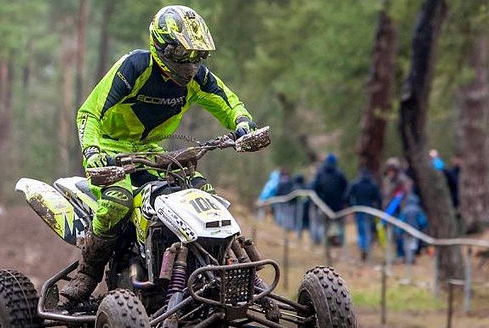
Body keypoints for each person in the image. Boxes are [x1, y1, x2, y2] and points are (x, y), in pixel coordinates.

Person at [61, 5, 260, 303]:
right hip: (110, 150)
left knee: (205, 194)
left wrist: (243, 124)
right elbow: (89, 113)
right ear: (162, 46)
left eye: (198, 55)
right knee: (118, 201)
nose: (191, 64)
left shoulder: (196, 78)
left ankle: (222, 268)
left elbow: (227, 102)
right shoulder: (135, 67)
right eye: (184, 55)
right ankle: (88, 271)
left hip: (153, 154)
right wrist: (92, 151)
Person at [309, 153, 348, 246]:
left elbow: (314, 188)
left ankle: (325, 245)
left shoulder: (320, 174)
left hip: (323, 205)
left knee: (323, 225)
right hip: (338, 205)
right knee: (340, 225)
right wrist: (345, 200)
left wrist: (316, 201)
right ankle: (340, 243)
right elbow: (346, 188)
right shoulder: (340, 174)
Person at [344, 168, 382, 261]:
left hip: (359, 210)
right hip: (370, 210)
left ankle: (363, 247)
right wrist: (378, 208)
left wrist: (352, 206)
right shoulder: (373, 185)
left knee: (361, 232)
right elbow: (378, 198)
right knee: (368, 231)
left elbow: (347, 196)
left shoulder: (356, 184)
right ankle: (367, 249)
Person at [395, 193, 428, 264]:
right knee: (414, 244)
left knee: (406, 244)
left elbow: (401, 220)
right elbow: (422, 221)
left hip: (406, 230)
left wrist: (398, 231)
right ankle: (411, 258)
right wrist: (423, 227)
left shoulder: (404, 210)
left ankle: (408, 258)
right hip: (415, 230)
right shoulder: (418, 210)